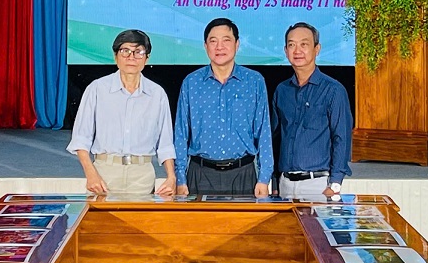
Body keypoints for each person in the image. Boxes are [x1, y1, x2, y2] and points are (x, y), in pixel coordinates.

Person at [67, 29, 177, 195]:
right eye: (125, 51)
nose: (131, 57)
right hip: (104, 173)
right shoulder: (97, 89)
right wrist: (91, 174)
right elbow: (81, 138)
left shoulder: (157, 94)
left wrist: (171, 177)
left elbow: (165, 143)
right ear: (115, 56)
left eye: (138, 52)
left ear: (147, 58)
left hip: (142, 175)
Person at [174, 17, 273, 196]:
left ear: (237, 44)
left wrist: (264, 178)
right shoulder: (191, 82)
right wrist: (180, 178)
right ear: (205, 46)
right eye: (213, 41)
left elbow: (263, 132)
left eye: (226, 40)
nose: (219, 47)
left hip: (243, 174)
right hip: (200, 174)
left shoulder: (254, 81)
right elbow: (181, 134)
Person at [272, 22, 353, 198]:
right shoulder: (282, 90)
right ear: (285, 51)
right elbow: (276, 139)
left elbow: (342, 138)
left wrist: (335, 184)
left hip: (317, 184)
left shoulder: (333, 90)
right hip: (285, 184)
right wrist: (276, 182)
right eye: (291, 45)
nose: (297, 50)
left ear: (317, 49)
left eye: (304, 44)